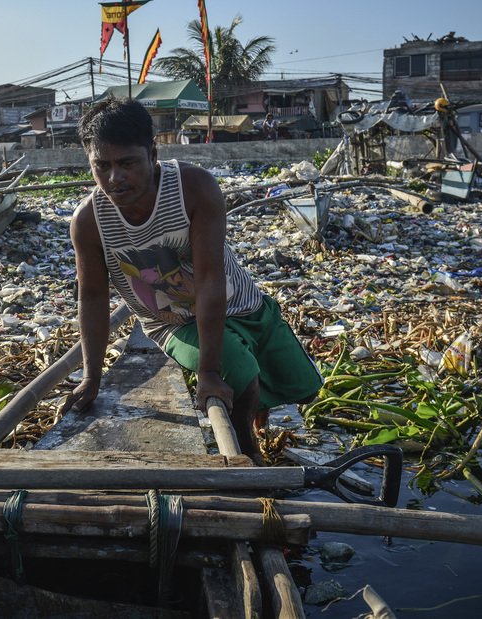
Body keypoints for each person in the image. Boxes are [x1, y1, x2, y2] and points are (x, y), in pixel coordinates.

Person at [62, 98, 322, 464]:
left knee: (307, 389)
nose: (114, 178)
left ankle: (254, 403)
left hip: (242, 303)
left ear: (152, 155)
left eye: (127, 164)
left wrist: (209, 372)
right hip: (173, 322)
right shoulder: (89, 222)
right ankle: (249, 452)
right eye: (101, 166)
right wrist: (92, 376)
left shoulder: (193, 187)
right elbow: (91, 297)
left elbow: (210, 279)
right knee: (241, 372)